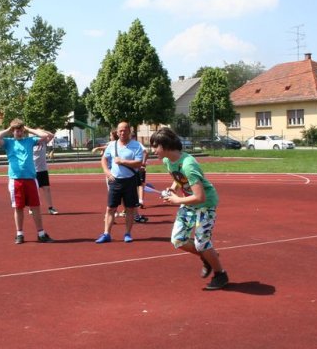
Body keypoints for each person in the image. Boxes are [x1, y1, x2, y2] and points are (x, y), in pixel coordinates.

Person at [149, 126, 230, 290]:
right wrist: (173, 189)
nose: (152, 150)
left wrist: (177, 200)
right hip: (189, 204)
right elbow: (179, 179)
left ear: (165, 146)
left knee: (202, 243)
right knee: (178, 240)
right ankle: (207, 257)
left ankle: (220, 274)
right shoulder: (168, 161)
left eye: (155, 146)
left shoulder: (189, 165)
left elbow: (201, 197)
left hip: (205, 206)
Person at [0, 119, 54, 244]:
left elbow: (46, 135)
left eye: (20, 131)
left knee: (35, 207)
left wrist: (28, 129)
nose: (19, 133)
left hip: (30, 179)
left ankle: (41, 234)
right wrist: (9, 129)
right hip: (16, 180)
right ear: (13, 132)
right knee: (18, 208)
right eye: (16, 131)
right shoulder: (8, 143)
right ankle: (19, 234)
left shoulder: (30, 141)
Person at [95, 121, 145, 244]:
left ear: (129, 131)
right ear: (117, 132)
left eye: (125, 130)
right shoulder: (112, 145)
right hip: (115, 181)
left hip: (130, 181)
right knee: (110, 208)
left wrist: (122, 161)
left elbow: (139, 163)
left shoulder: (136, 146)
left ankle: (127, 234)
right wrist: (107, 172)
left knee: (129, 209)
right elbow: (104, 159)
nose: (122, 132)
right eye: (120, 130)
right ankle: (106, 234)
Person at [31, 139, 58, 215]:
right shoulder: (30, 142)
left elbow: (51, 135)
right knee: (34, 191)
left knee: (47, 189)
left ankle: (50, 208)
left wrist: (40, 130)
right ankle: (32, 207)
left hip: (43, 170)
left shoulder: (43, 141)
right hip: (33, 170)